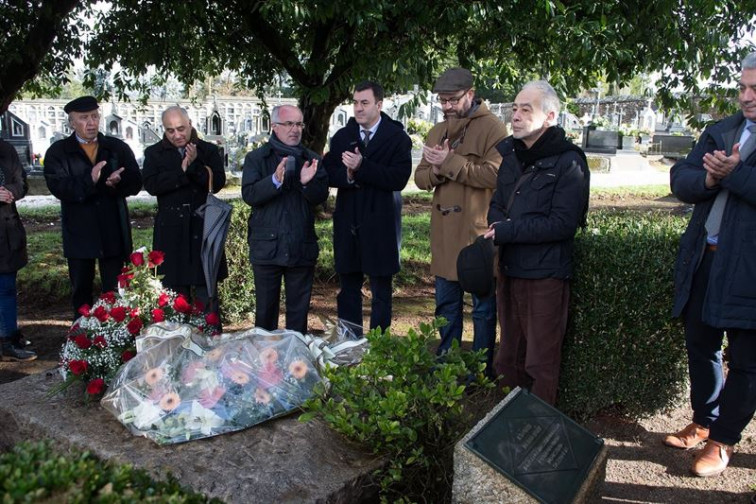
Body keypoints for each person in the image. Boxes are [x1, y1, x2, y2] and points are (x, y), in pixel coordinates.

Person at [664, 51, 756, 478]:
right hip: (706, 259)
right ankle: (703, 421)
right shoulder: (720, 131)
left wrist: (733, 174)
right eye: (742, 87)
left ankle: (723, 440)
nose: (746, 96)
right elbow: (681, 179)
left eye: (755, 88)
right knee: (700, 345)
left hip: (749, 271)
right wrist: (709, 178)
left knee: (747, 360)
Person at [484, 80, 589, 405]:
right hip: (510, 270)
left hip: (544, 276)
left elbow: (562, 224)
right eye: (514, 108)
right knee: (507, 360)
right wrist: (499, 223)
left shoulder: (569, 162)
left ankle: (540, 432)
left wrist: (507, 231)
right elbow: (496, 205)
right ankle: (504, 428)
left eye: (525, 109)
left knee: (540, 364)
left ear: (550, 117)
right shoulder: (512, 157)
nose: (515, 115)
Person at [414, 68, 508, 375]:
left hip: (475, 233)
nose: (447, 106)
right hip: (444, 236)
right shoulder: (437, 130)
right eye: (442, 100)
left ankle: (481, 368)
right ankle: (448, 364)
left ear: (470, 93)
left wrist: (450, 162)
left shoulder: (493, 128)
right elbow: (421, 178)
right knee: (446, 306)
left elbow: (495, 174)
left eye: (453, 99)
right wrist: (439, 169)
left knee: (482, 308)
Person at [324, 81, 412, 334]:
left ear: (379, 105)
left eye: (365, 103)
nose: (359, 108)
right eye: (355, 102)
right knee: (348, 288)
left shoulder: (397, 138)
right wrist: (349, 176)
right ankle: (350, 343)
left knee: (381, 291)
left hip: (381, 223)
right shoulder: (342, 137)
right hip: (348, 222)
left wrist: (363, 167)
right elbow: (330, 173)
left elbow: (399, 178)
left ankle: (379, 351)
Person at [43, 96, 142, 320]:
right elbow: (59, 187)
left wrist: (118, 183)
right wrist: (91, 180)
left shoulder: (116, 148)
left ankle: (117, 338)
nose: (91, 122)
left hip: (113, 231)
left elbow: (136, 182)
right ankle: (81, 340)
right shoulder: (59, 152)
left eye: (95, 116)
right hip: (79, 232)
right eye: (84, 118)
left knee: (116, 291)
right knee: (81, 292)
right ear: (71, 122)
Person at [242, 105, 328, 334]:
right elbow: (249, 195)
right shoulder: (256, 158)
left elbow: (320, 197)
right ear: (274, 127)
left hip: (301, 246)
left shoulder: (311, 159)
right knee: (265, 315)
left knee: (298, 318)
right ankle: (264, 364)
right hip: (266, 248)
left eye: (299, 124)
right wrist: (274, 181)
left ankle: (296, 365)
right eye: (289, 124)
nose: (295, 130)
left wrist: (305, 183)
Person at [142, 106, 226, 317]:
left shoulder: (208, 150)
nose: (177, 135)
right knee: (174, 300)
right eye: (170, 130)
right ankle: (177, 344)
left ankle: (211, 344)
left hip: (203, 229)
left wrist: (195, 163)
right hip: (172, 233)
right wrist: (181, 171)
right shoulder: (154, 153)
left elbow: (217, 183)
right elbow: (152, 185)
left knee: (206, 297)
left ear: (190, 124)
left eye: (181, 128)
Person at [0, 140, 36, 361]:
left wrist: (8, 191)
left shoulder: (5, 149)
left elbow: (21, 183)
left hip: (6, 233)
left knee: (6, 289)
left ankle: (8, 340)